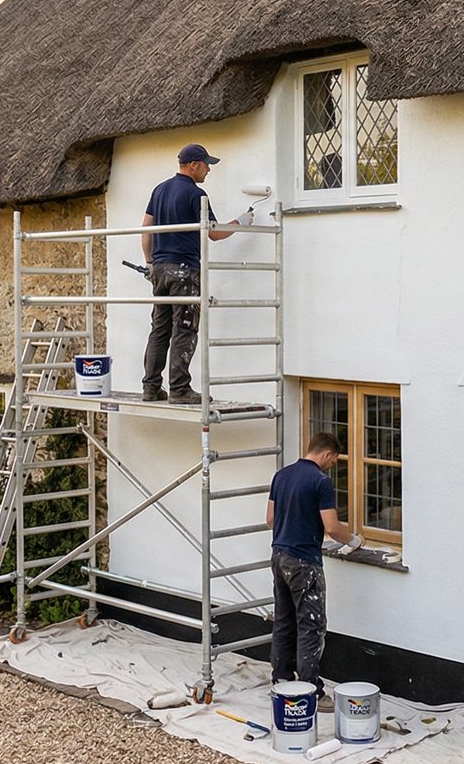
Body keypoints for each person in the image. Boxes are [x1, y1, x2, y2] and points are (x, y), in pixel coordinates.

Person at [139, 143, 245, 402]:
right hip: (184, 271)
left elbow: (146, 231)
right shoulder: (197, 195)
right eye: (206, 164)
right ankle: (180, 389)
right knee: (185, 329)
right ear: (193, 164)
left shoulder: (159, 190)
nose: (208, 169)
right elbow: (215, 233)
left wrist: (150, 264)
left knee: (159, 330)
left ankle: (151, 388)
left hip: (161, 271)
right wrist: (241, 222)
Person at [266, 432, 361, 696]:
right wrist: (353, 540)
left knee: (284, 620)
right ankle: (310, 690)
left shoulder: (281, 475)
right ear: (327, 453)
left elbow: (271, 519)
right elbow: (331, 527)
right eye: (334, 460)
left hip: (279, 556)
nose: (332, 465)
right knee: (311, 624)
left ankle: (282, 681)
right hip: (304, 562)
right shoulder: (320, 481)